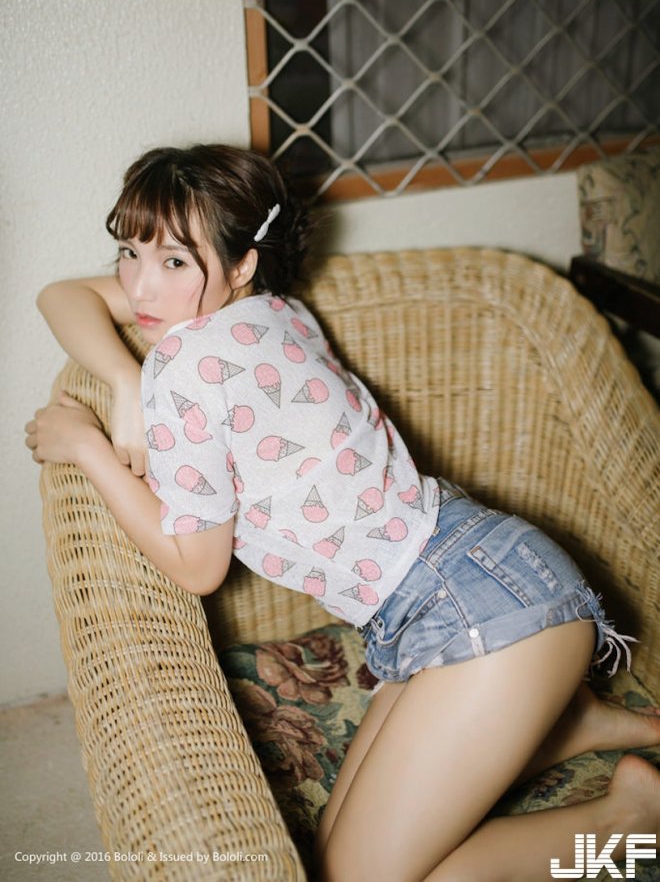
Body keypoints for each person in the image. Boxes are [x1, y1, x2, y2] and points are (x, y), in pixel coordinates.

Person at [25, 144, 659, 882]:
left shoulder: (186, 366)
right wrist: (122, 381)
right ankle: (569, 720)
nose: (138, 285)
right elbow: (61, 295)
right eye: (129, 253)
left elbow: (197, 568)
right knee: (332, 853)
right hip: (468, 583)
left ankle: (629, 823)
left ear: (242, 264)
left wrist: (88, 448)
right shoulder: (273, 312)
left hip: (481, 613)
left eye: (172, 261)